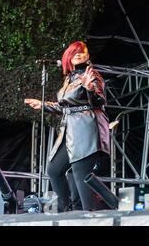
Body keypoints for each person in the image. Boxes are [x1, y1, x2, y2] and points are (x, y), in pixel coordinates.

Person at [25, 41, 110, 212]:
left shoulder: (92, 75)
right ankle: (65, 212)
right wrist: (43, 104)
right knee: (54, 169)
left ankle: (88, 215)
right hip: (70, 130)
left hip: (86, 128)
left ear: (87, 56)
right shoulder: (69, 79)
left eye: (82, 52)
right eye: (75, 52)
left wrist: (89, 88)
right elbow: (65, 106)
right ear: (68, 57)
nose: (79, 54)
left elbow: (100, 100)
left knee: (80, 174)